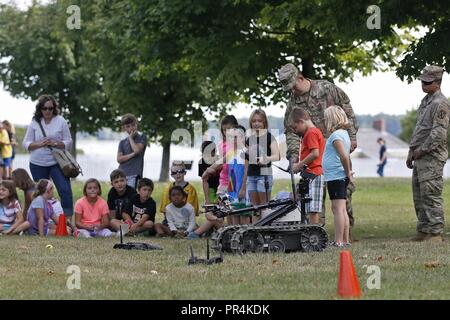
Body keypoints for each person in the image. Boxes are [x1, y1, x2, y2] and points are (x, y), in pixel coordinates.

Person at [278, 63, 358, 228]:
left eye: (293, 87)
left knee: (343, 194)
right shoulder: (292, 102)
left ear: (300, 78)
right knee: (313, 197)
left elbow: (347, 109)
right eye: (289, 90)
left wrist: (352, 136)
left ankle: (346, 232)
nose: (292, 92)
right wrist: (293, 155)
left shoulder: (326, 88)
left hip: (335, 150)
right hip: (314, 158)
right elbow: (291, 131)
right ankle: (316, 233)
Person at [407, 65, 449, 242]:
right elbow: (420, 129)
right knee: (419, 194)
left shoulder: (441, 103)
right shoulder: (426, 101)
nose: (423, 84)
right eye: (422, 81)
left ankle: (435, 232)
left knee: (431, 194)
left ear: (437, 83)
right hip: (419, 155)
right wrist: (411, 151)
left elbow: (438, 134)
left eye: (427, 82)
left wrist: (421, 151)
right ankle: (423, 229)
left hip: (432, 156)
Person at [22, 95, 74, 220]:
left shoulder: (61, 120)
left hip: (57, 162)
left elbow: (68, 141)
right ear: (40, 109)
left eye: (50, 108)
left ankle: (67, 222)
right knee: (41, 194)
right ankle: (43, 220)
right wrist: (40, 144)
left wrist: (55, 143)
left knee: (65, 190)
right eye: (44, 108)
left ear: (54, 108)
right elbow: (26, 144)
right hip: (37, 163)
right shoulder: (35, 122)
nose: (47, 111)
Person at [242, 109, 280, 222]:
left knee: (264, 206)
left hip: (264, 174)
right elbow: (247, 161)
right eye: (254, 121)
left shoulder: (269, 137)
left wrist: (265, 159)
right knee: (254, 208)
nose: (256, 123)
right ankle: (254, 231)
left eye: (259, 121)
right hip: (251, 175)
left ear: (264, 122)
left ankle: (265, 231)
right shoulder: (249, 139)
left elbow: (277, 156)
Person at [322, 106, 353, 247]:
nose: (324, 121)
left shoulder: (336, 136)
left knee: (337, 209)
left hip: (336, 176)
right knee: (342, 208)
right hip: (337, 176)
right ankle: (345, 240)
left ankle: (339, 241)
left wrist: (347, 172)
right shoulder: (344, 133)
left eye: (326, 119)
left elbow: (344, 156)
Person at [289, 108, 325, 225]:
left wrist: (299, 165)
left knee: (313, 209)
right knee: (303, 204)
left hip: (314, 174)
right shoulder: (312, 132)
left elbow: (315, 153)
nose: (295, 131)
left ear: (301, 121)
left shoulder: (311, 133)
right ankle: (306, 230)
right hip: (309, 174)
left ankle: (313, 235)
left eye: (295, 127)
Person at [117, 114, 148, 189]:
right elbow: (119, 159)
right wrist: (133, 154)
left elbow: (137, 150)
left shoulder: (142, 137)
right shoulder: (122, 142)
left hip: (134, 174)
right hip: (121, 174)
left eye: (133, 125)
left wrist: (130, 138)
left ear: (137, 124)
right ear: (124, 128)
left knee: (131, 196)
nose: (131, 128)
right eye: (128, 126)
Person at [107, 169, 137, 233]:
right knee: (112, 222)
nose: (119, 184)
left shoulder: (132, 192)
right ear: (112, 184)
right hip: (119, 221)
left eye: (122, 180)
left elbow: (136, 210)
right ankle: (128, 231)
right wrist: (113, 222)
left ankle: (127, 230)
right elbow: (112, 212)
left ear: (126, 181)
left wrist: (130, 222)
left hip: (131, 220)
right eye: (116, 182)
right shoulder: (111, 193)